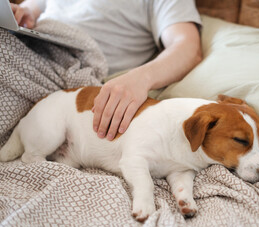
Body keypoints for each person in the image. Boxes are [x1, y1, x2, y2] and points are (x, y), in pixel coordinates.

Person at [11, 0, 202, 141]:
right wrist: (23, 12)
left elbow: (187, 47)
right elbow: (33, 7)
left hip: (66, 66)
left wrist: (142, 78)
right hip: (30, 41)